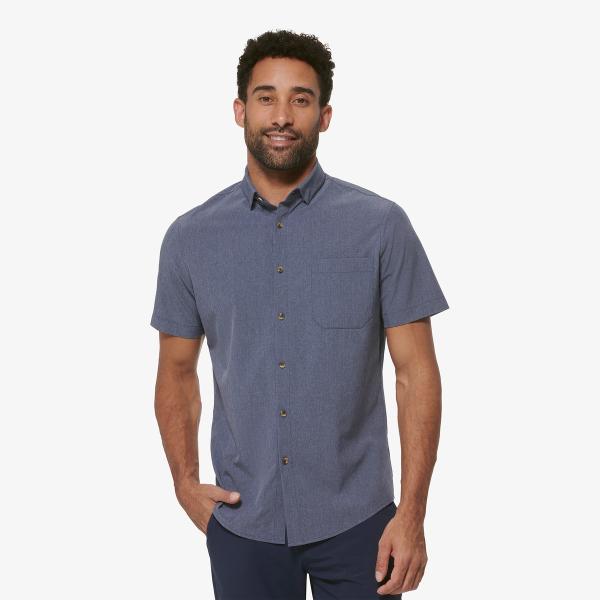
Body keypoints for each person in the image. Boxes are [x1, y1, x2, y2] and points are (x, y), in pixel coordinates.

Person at [150, 29, 449, 599]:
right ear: (240, 110)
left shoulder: (381, 226)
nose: (282, 116)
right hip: (244, 520)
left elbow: (416, 373)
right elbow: (176, 372)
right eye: (266, 97)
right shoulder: (189, 239)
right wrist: (185, 484)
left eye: (301, 99)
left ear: (325, 116)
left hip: (363, 523)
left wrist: (412, 513)